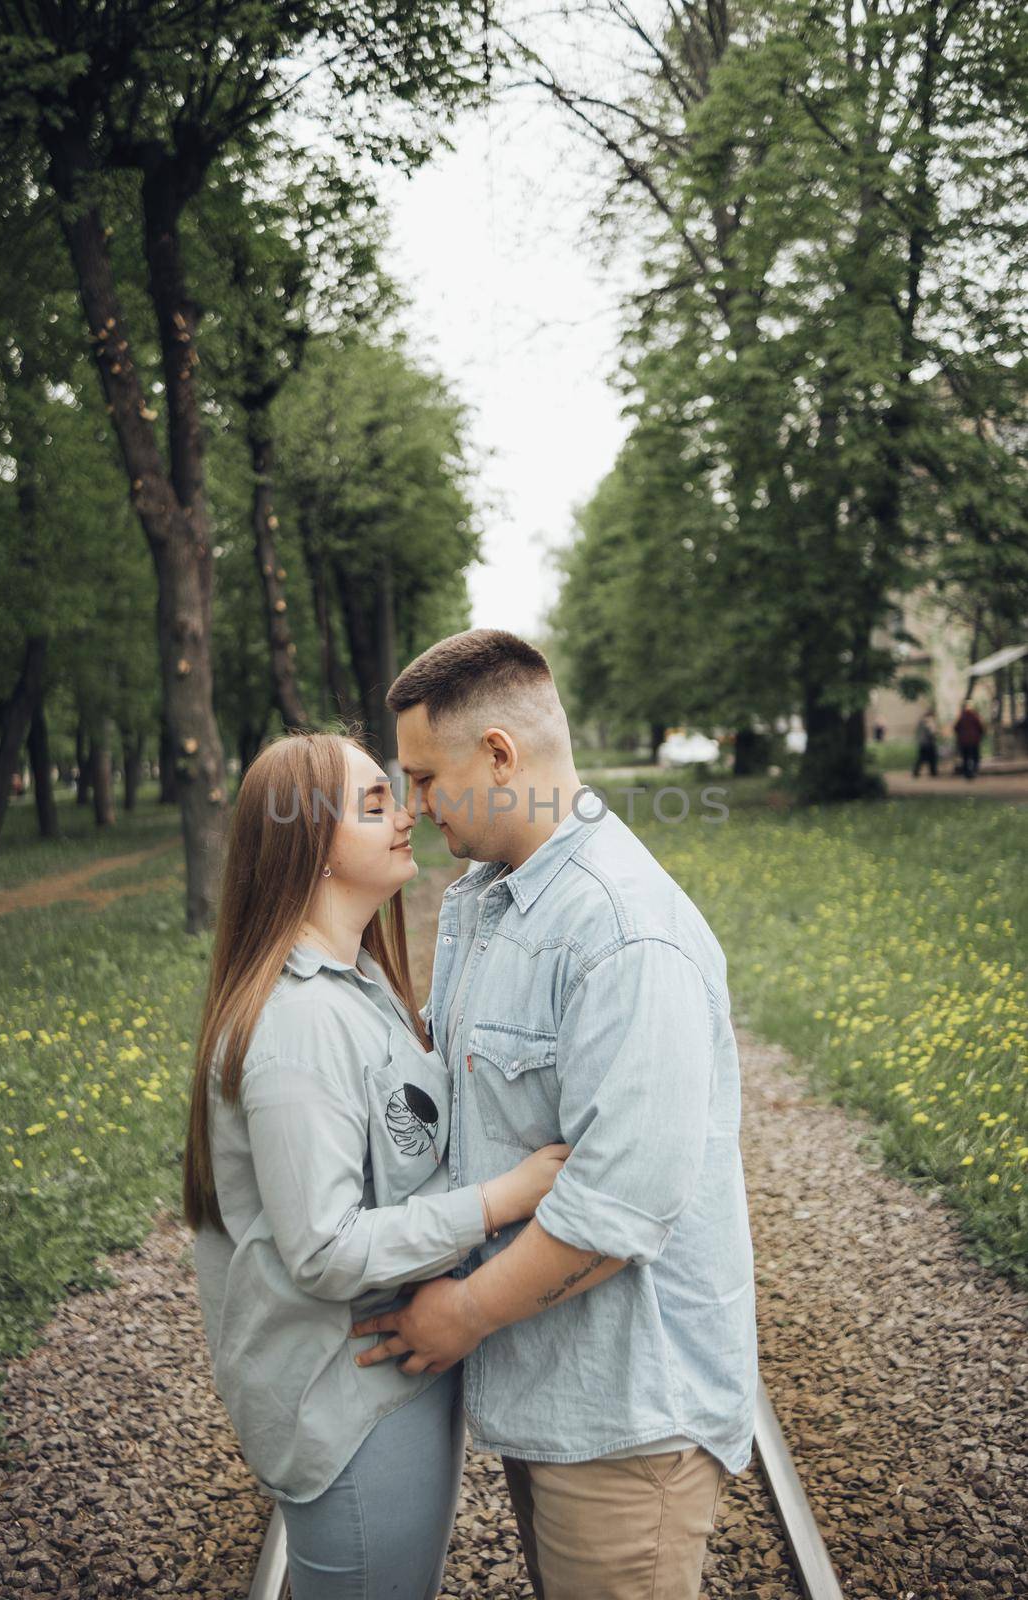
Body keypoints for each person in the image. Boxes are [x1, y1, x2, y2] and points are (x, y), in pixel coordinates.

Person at [351, 628, 758, 1600]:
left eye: (421, 777)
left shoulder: (622, 929)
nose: (412, 805)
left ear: (499, 753)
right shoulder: (489, 902)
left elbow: (618, 1204)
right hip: (553, 1388)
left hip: (627, 1421)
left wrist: (460, 1312)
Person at [182, 729, 570, 1600]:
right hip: (349, 1398)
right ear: (306, 845)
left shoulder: (359, 984)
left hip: (388, 1380)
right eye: (374, 805)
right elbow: (323, 1249)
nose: (407, 816)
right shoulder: (296, 1027)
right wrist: (504, 1198)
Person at [953, 700, 984, 779]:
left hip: (964, 741)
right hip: (974, 741)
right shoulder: (975, 716)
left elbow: (956, 727)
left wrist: (960, 735)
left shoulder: (961, 717)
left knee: (965, 758)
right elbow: (981, 727)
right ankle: (974, 771)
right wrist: (979, 735)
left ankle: (967, 773)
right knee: (975, 757)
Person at [912, 708, 939, 778]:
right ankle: (933, 772)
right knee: (932, 758)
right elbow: (931, 732)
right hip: (928, 742)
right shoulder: (929, 720)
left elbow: (918, 731)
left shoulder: (921, 720)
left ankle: (916, 771)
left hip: (922, 742)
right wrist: (935, 734)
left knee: (921, 758)